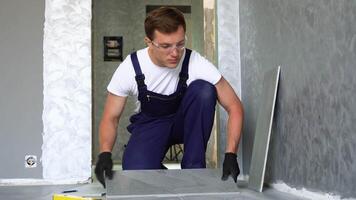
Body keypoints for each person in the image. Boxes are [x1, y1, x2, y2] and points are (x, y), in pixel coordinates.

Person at [95, 6, 243, 188]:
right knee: (136, 173)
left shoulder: (195, 62)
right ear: (148, 42)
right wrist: (104, 153)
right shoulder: (131, 67)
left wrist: (231, 154)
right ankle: (171, 179)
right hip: (151, 123)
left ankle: (193, 171)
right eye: (166, 46)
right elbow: (111, 117)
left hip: (184, 121)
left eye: (180, 44)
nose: (175, 53)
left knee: (204, 90)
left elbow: (234, 106)